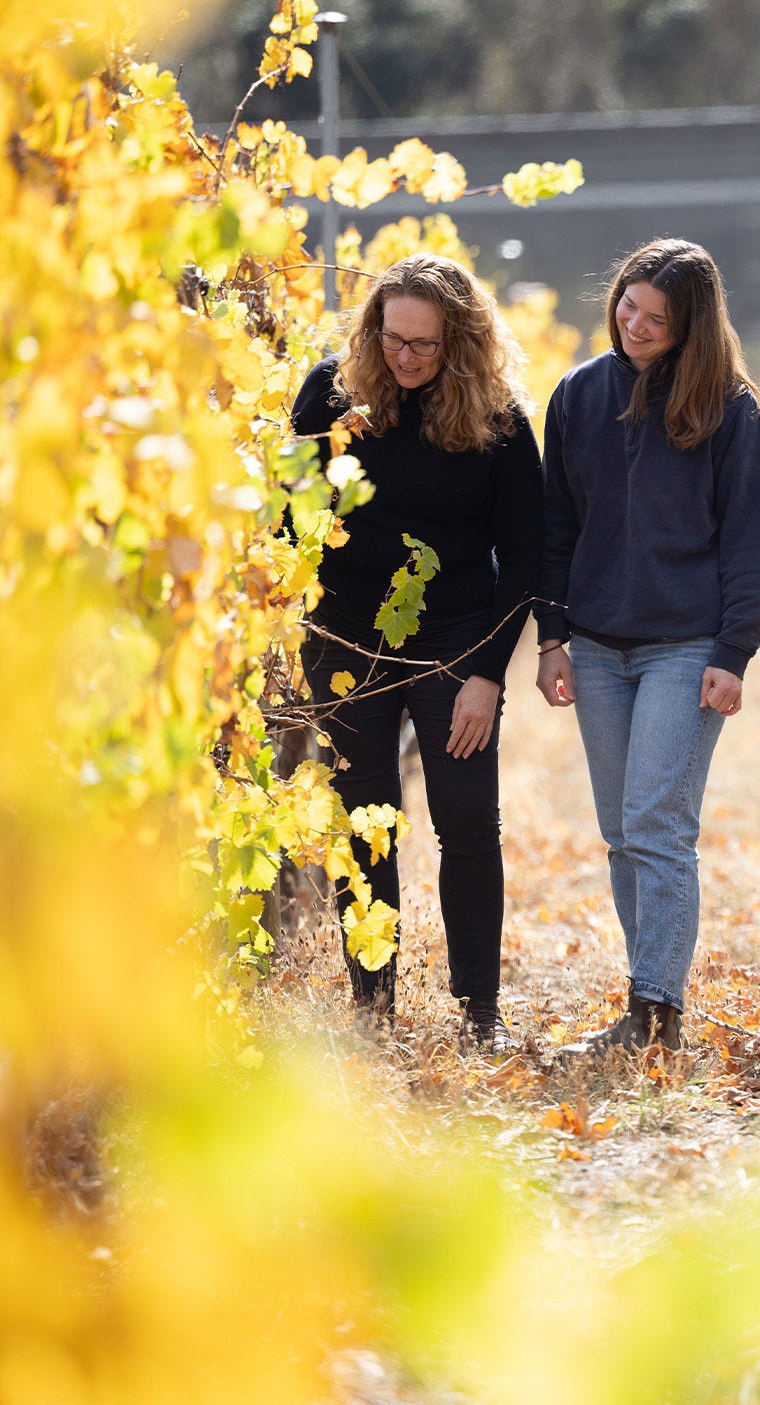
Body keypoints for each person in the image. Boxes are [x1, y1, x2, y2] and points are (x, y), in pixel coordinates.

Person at [290, 253, 544, 1051]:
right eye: (390, 337)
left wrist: (485, 677)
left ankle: (479, 1015)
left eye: (424, 345)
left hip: (452, 643)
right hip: (345, 638)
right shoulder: (331, 393)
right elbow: (287, 515)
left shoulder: (497, 417)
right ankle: (374, 1010)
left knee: (467, 820)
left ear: (460, 343)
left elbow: (527, 557)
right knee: (365, 823)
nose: (403, 356)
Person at [534, 239, 760, 1053]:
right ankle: (648, 1005)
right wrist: (552, 638)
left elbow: (751, 541)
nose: (632, 325)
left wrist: (733, 653)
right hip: (597, 649)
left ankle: (654, 1013)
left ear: (691, 330)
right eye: (627, 306)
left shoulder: (729, 410)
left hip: (686, 645)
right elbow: (555, 529)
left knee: (657, 826)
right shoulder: (575, 396)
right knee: (620, 832)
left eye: (655, 319)